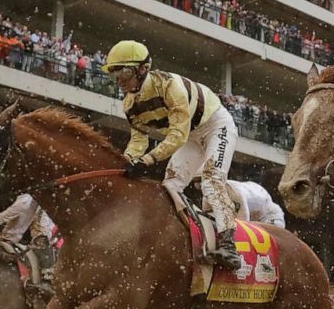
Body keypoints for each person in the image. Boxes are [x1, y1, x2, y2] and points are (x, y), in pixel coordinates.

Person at [102, 39, 241, 269]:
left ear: (142, 69)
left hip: (216, 126)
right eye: (115, 76)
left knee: (212, 179)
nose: (120, 82)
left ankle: (228, 246)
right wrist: (127, 161)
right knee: (170, 185)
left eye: (124, 74)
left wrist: (147, 160)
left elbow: (177, 136)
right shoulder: (129, 104)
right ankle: (175, 238)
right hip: (191, 136)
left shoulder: (169, 86)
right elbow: (138, 140)